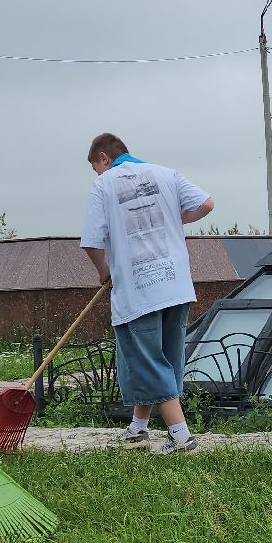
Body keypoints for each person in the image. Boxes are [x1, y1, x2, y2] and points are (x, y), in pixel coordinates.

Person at [81, 133, 214, 454]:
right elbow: (206, 204)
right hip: (176, 284)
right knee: (164, 358)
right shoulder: (166, 174)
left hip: (138, 289)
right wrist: (174, 219)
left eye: (95, 167)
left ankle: (180, 436)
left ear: (103, 158)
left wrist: (104, 270)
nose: (97, 173)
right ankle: (138, 429)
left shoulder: (103, 185)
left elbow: (92, 241)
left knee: (147, 361)